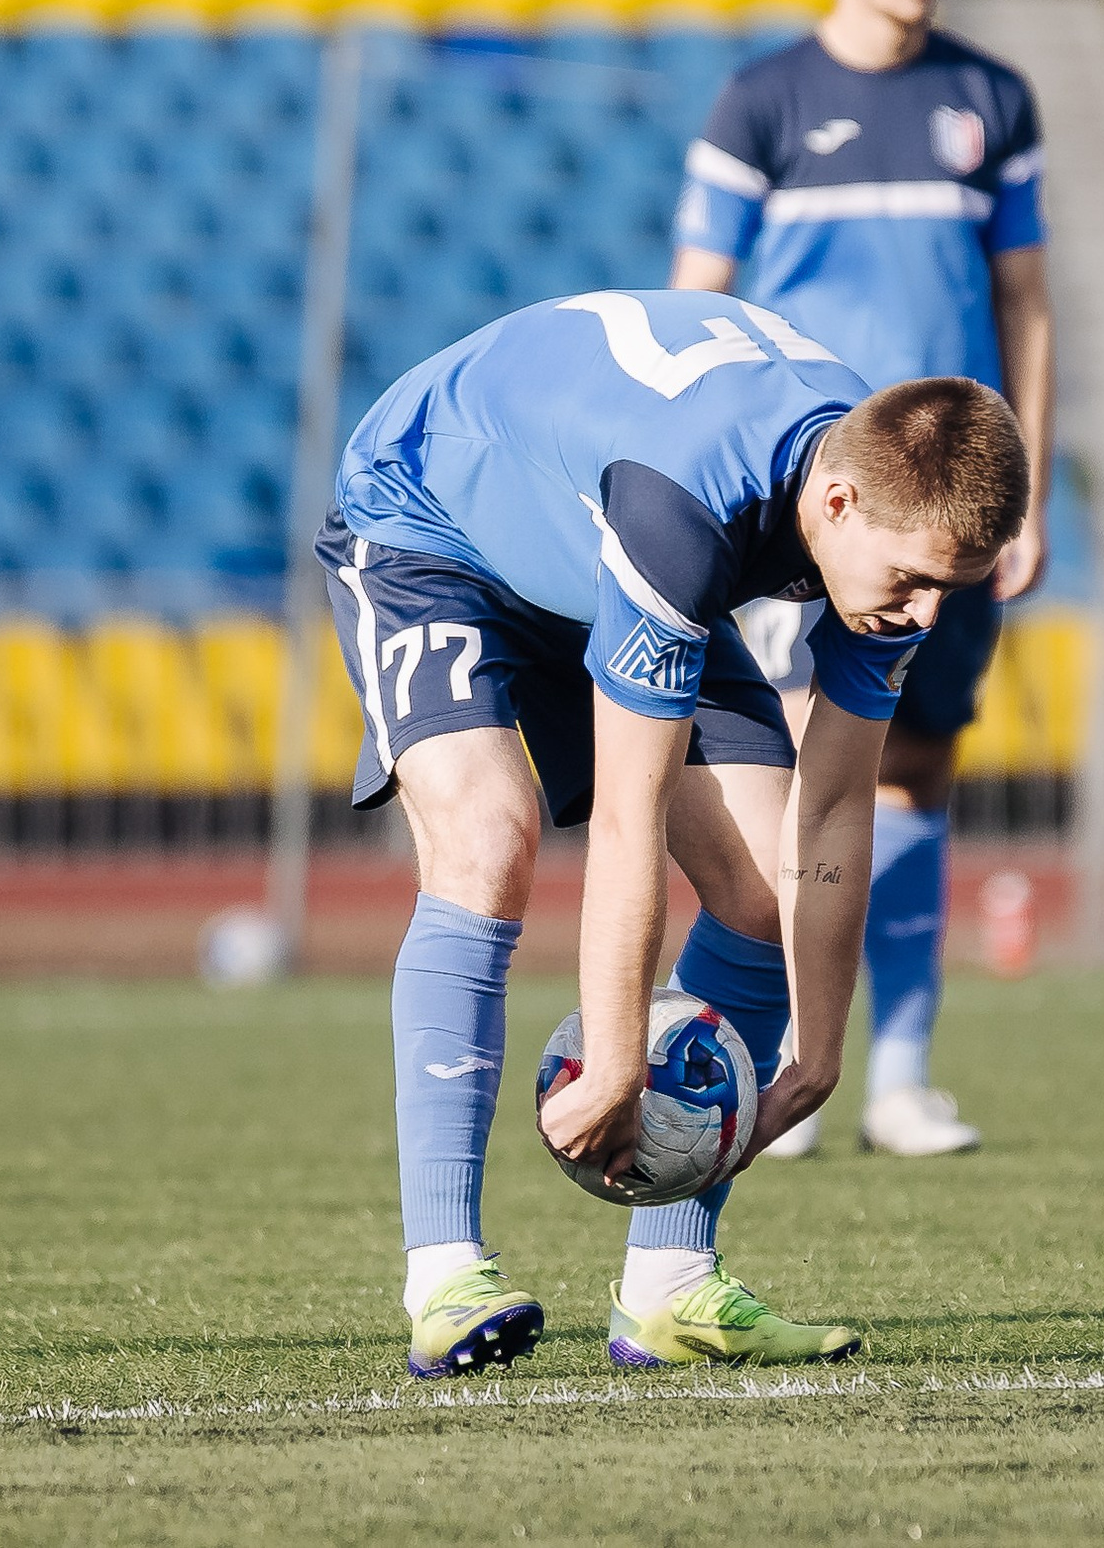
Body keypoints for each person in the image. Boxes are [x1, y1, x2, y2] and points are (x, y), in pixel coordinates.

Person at [319, 288, 1028, 1379]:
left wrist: (818, 1057)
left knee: (760, 888)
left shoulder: (883, 520)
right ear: (836, 503)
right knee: (489, 837)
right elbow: (628, 815)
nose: (926, 613)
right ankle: (445, 1277)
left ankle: (670, 1287)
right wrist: (613, 1064)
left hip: (593, 544)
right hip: (431, 521)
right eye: (915, 581)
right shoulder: (687, 511)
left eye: (952, 590)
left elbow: (834, 811)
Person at [671, 0, 1055, 1160]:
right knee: (800, 769)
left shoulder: (990, 98)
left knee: (921, 769)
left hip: (951, 510)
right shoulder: (762, 103)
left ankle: (898, 1074)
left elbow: (1026, 303)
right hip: (820, 515)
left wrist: (1021, 497)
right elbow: (697, 303)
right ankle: (783, 1053)